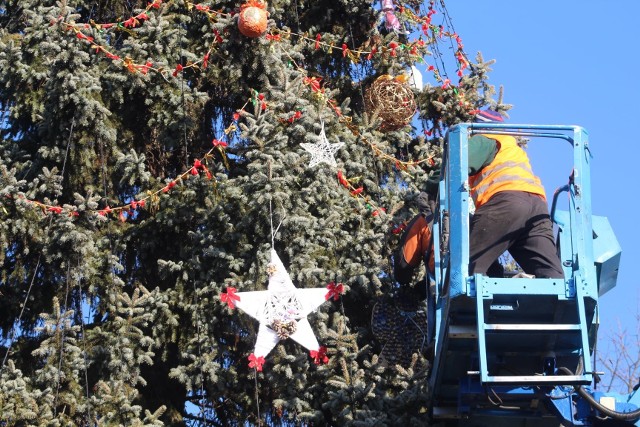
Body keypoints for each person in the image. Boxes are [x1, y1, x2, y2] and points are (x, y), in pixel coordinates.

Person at [467, 109, 564, 279]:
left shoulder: (485, 139)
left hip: (506, 203)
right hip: (538, 209)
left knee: (468, 271)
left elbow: (455, 165)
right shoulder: (512, 147)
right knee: (552, 278)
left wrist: (430, 188)